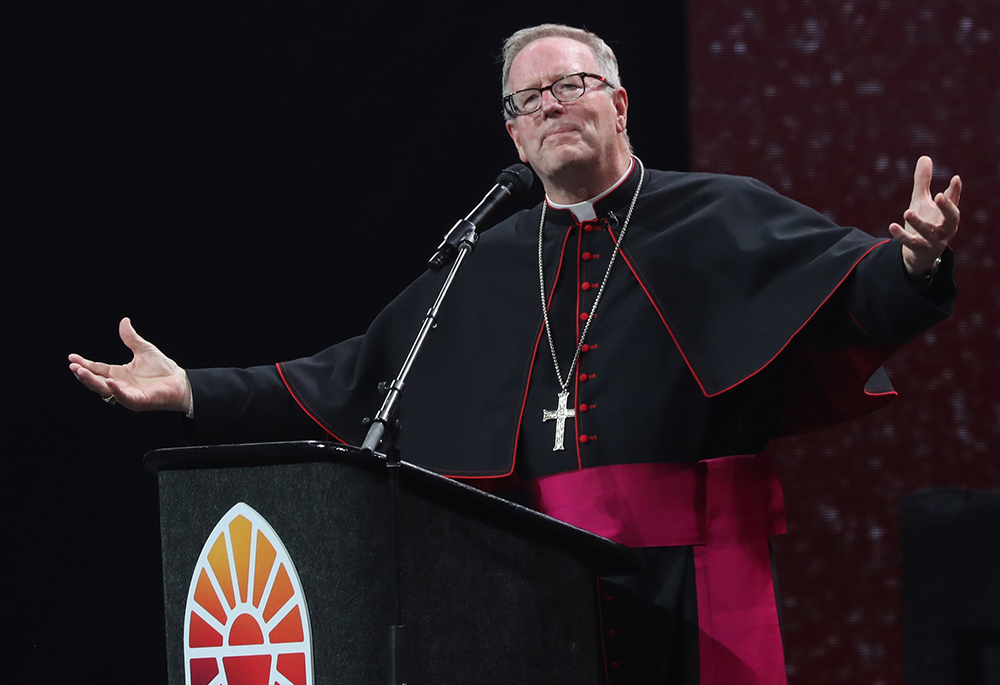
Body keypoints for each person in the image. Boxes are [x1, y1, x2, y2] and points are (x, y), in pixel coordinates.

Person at [70, 24, 960, 685]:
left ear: (618, 101)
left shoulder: (722, 214)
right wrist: (193, 389)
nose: (549, 107)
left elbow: (851, 297)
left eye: (570, 84)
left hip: (694, 584)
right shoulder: (482, 258)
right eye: (526, 100)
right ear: (512, 135)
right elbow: (351, 379)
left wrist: (917, 261)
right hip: (534, 590)